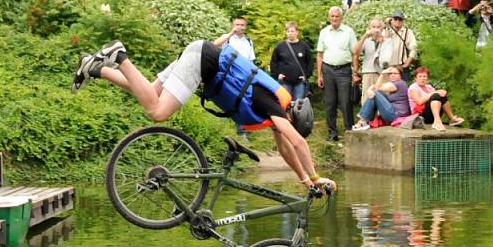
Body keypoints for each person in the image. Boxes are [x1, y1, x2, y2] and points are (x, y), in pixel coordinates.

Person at [71, 39, 335, 190]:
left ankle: (95, 68)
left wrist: (303, 180)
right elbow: (298, 143)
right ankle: (120, 56)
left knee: (149, 91)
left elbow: (287, 150)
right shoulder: (273, 104)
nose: (287, 135)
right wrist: (315, 176)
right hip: (201, 63)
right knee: (158, 111)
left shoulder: (275, 111)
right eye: (291, 130)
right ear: (293, 119)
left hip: (200, 54)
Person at [317, 7, 359, 141]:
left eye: (337, 16)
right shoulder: (324, 32)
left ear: (341, 18)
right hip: (328, 69)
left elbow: (355, 53)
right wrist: (319, 75)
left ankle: (349, 131)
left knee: (345, 101)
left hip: (344, 70)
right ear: (329, 17)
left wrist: (355, 73)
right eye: (332, 16)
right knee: (330, 102)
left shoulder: (349, 31)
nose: (334, 19)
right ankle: (332, 133)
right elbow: (320, 54)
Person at [351, 66, 412, 130]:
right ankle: (364, 121)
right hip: (394, 114)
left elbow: (377, 88)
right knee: (376, 93)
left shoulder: (399, 83)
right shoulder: (395, 83)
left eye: (395, 73)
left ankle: (363, 121)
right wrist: (369, 89)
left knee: (375, 93)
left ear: (400, 75)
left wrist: (382, 74)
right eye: (390, 73)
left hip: (397, 116)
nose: (392, 75)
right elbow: (375, 86)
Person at [408, 67, 463, 131]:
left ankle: (452, 119)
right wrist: (433, 93)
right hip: (420, 116)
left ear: (427, 78)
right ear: (415, 78)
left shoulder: (429, 87)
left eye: (424, 76)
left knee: (442, 96)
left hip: (430, 114)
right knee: (435, 95)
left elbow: (437, 97)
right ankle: (437, 121)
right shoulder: (413, 87)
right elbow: (419, 102)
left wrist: (441, 92)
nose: (422, 78)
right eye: (420, 76)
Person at [353, 18, 392, 103]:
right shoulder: (366, 40)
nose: (376, 29)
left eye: (378, 27)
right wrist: (364, 36)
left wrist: (383, 40)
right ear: (369, 28)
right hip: (369, 72)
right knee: (367, 99)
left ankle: (381, 116)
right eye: (373, 26)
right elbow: (355, 52)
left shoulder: (387, 39)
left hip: (383, 73)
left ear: (382, 28)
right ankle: (366, 116)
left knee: (384, 99)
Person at [271, 21, 313, 100]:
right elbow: (273, 62)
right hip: (285, 81)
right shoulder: (280, 46)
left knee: (298, 104)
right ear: (286, 32)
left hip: (299, 82)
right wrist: (277, 75)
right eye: (288, 31)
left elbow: (310, 62)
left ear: (297, 32)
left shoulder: (304, 46)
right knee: (286, 103)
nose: (290, 33)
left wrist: (306, 75)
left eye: (292, 31)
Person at [385, 11, 418, 79]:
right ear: (392, 20)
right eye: (395, 19)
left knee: (404, 88)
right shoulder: (386, 31)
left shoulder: (408, 32)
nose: (397, 21)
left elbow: (414, 49)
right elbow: (384, 44)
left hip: (402, 68)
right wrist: (387, 27)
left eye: (400, 19)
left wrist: (406, 64)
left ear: (403, 21)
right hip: (388, 68)